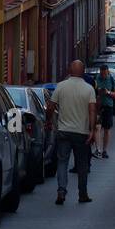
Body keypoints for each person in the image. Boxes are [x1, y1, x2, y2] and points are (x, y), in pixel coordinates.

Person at [47, 59, 97, 205]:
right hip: (81, 132)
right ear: (83, 71)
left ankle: (61, 191)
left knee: (62, 162)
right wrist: (92, 130)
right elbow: (92, 110)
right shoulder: (88, 89)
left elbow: (51, 106)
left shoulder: (61, 86)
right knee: (82, 164)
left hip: (63, 131)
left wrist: (49, 120)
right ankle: (82, 194)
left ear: (70, 70)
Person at [94, 63, 115, 158]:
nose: (103, 75)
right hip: (98, 106)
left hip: (108, 106)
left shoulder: (111, 79)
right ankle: (97, 149)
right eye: (102, 74)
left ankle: (104, 150)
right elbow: (92, 91)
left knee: (107, 129)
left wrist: (108, 92)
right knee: (97, 127)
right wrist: (98, 92)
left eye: (105, 74)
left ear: (107, 72)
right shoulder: (97, 78)